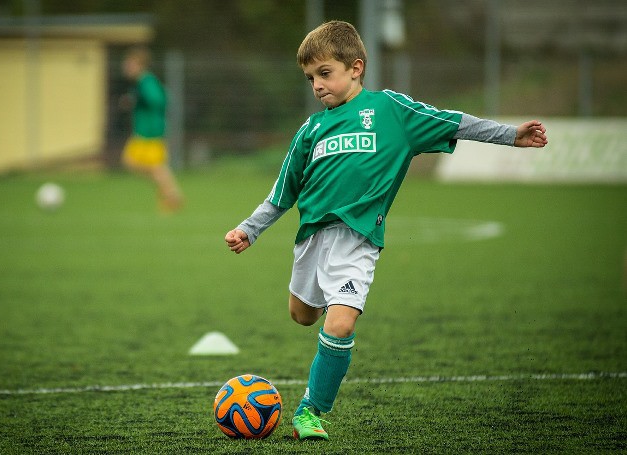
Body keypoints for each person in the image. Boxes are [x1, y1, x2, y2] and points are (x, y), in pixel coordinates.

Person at [224, 20, 547, 441]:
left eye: (325, 73)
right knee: (302, 315)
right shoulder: (311, 130)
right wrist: (250, 230)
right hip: (312, 241)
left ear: (355, 67)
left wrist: (510, 135)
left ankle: (311, 410)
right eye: (310, 78)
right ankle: (330, 311)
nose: (317, 85)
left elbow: (453, 121)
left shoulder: (391, 110)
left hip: (358, 240)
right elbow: (282, 193)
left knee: (339, 325)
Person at [121, 46, 183, 212]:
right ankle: (170, 193)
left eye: (130, 63)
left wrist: (139, 99)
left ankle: (172, 195)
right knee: (135, 163)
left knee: (153, 166)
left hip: (150, 131)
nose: (126, 67)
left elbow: (159, 99)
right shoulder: (141, 83)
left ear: (139, 65)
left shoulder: (146, 81)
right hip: (144, 131)